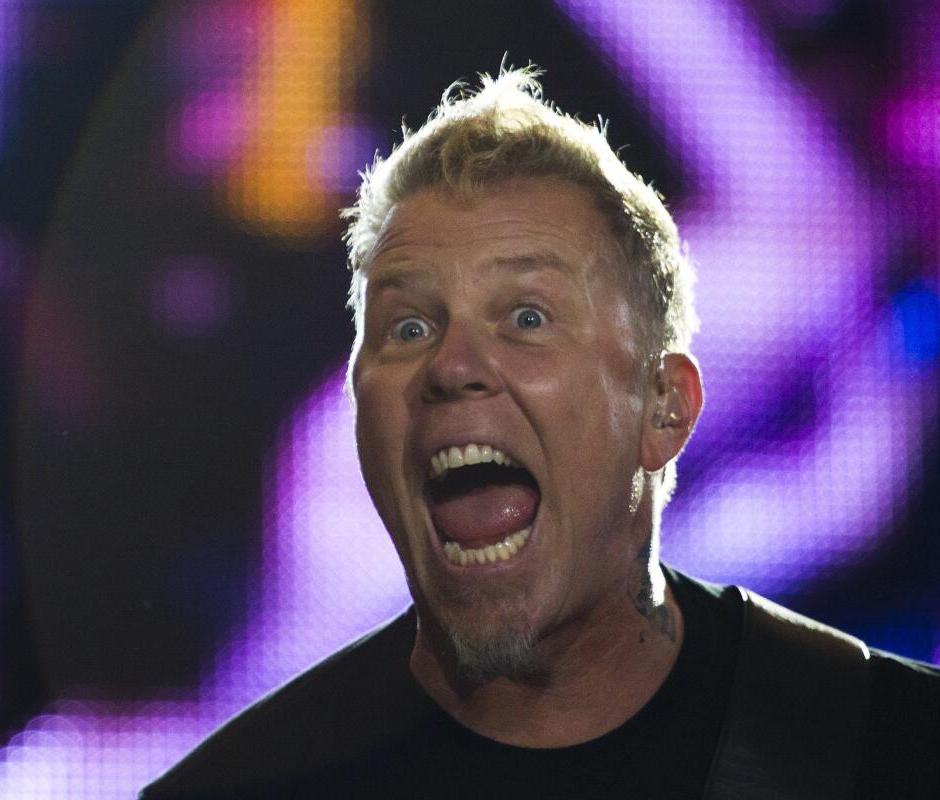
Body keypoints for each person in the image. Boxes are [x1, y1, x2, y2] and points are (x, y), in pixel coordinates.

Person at [140, 68, 940, 799]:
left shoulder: (343, 541)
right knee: (823, 236)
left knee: (821, 235)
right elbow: (809, 512)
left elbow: (808, 508)